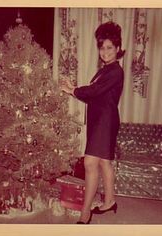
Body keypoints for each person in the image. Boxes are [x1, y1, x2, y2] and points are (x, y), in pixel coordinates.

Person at [60, 21, 125, 224]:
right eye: (102, 47)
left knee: (90, 163)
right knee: (104, 162)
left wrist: (74, 90)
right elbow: (94, 94)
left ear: (117, 49)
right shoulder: (104, 70)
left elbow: (95, 91)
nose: (104, 52)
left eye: (109, 48)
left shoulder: (115, 71)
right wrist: (76, 88)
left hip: (105, 123)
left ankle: (85, 212)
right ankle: (110, 201)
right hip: (100, 121)